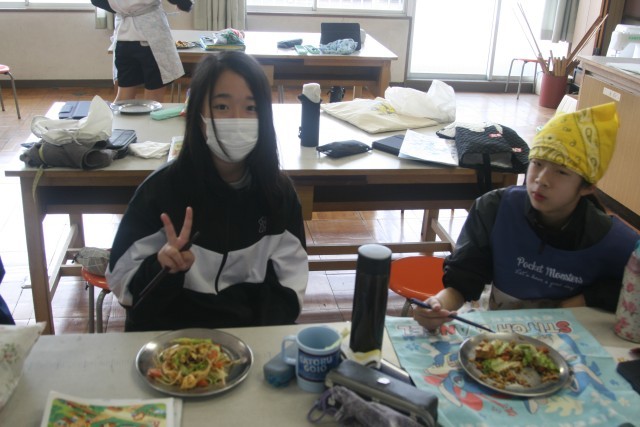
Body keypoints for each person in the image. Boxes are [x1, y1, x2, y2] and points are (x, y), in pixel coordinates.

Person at [106, 52, 309, 332]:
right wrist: (163, 269)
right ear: (197, 115)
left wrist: (255, 339)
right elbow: (123, 285)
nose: (237, 119)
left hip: (247, 341)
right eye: (222, 106)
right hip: (170, 341)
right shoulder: (161, 192)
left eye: (251, 108)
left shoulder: (277, 194)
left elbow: (290, 283)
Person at [414, 102, 640, 331]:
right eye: (537, 163)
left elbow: (632, 289)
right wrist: (438, 304)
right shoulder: (495, 208)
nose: (542, 179)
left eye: (561, 172)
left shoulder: (611, 240)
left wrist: (582, 300)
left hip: (571, 336)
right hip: (500, 334)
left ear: (587, 187)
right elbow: (465, 278)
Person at [91, 0, 192, 103]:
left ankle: (112, 114)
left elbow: (96, 1)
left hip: (124, 38)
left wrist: (123, 9)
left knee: (124, 98)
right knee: (153, 100)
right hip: (151, 39)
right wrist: (184, 3)